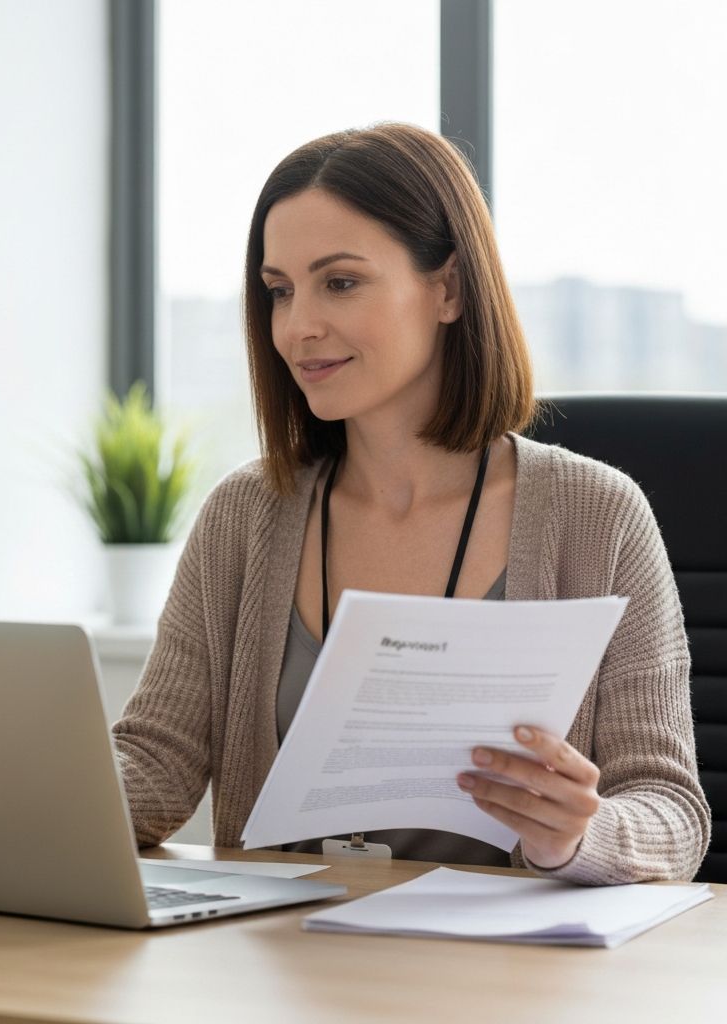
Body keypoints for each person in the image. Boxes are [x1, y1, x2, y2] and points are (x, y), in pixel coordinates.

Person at [112, 122, 710, 884]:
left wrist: (579, 831)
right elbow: (155, 769)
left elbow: (671, 814)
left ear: (450, 289)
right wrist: (6, 774)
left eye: (340, 282)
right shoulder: (245, 513)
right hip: (283, 966)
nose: (298, 327)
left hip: (506, 983)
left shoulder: (597, 516)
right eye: (279, 291)